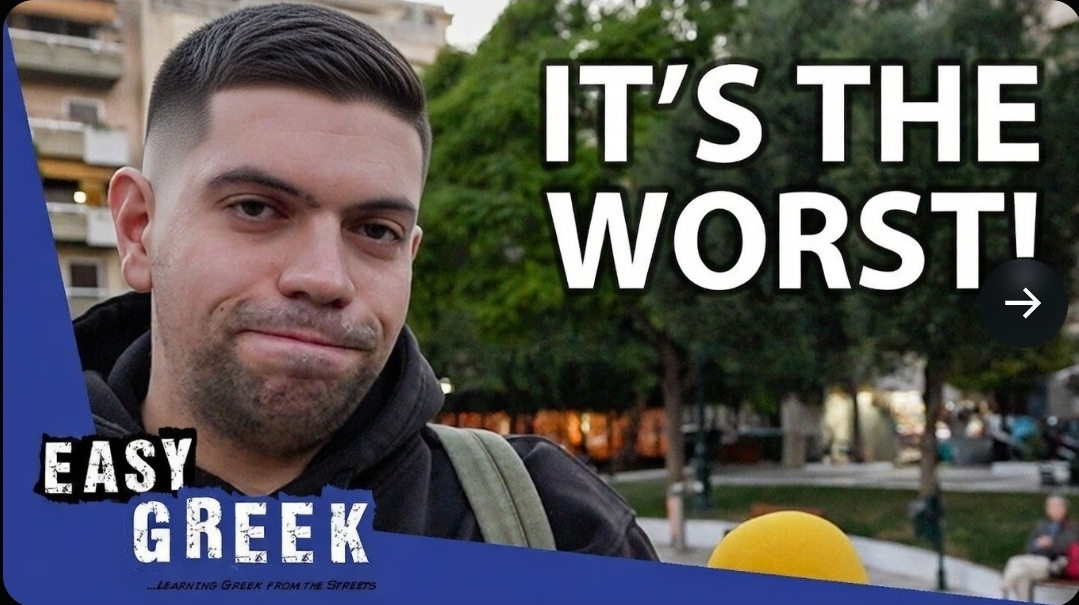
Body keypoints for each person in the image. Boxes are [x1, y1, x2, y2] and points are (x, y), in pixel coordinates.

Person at [75, 2, 657, 560]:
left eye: (376, 231)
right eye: (256, 208)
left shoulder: (562, 533)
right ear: (138, 229)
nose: (325, 278)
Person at [1001, 493, 1079, 600]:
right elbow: (1029, 547)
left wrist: (1049, 545)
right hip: (1036, 562)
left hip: (1056, 565)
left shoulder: (1071, 527)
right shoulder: (1042, 525)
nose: (1054, 509)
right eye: (1051, 506)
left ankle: (1004, 589)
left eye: (1057, 506)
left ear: (1065, 508)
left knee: (1015, 562)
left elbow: (1064, 548)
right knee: (1021, 574)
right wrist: (1039, 544)